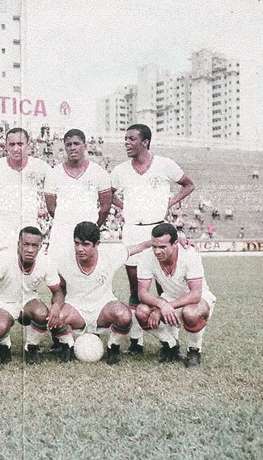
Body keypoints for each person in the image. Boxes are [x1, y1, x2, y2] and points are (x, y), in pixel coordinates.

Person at [111, 124, 195, 355]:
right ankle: (136, 342)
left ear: (145, 142)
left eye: (132, 139)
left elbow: (188, 184)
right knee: (136, 289)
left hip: (157, 230)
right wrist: (123, 208)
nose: (127, 143)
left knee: (162, 290)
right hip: (132, 231)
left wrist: (168, 203)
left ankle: (169, 342)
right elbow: (107, 194)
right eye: (125, 139)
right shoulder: (120, 170)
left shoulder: (164, 164)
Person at [51, 221, 153, 365]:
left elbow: (140, 247)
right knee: (57, 317)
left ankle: (113, 346)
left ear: (97, 244)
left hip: (103, 307)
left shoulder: (110, 255)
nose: (80, 249)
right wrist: (56, 306)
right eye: (77, 243)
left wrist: (172, 240)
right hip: (75, 308)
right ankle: (67, 346)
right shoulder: (63, 260)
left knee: (124, 315)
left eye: (85, 244)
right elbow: (60, 289)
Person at [0, 226, 64, 365]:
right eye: (26, 244)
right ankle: (5, 346)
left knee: (42, 313)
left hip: (28, 301)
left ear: (40, 247)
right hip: (3, 302)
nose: (30, 249)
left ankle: (31, 346)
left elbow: (58, 292)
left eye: (34, 245)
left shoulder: (46, 262)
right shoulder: (3, 259)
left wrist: (56, 305)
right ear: (18, 244)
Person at [136, 223, 216, 368]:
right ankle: (171, 345)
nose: (157, 251)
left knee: (190, 312)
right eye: (154, 246)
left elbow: (195, 294)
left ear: (175, 243)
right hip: (170, 297)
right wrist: (162, 304)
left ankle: (194, 350)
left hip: (198, 300)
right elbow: (142, 293)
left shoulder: (189, 255)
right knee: (142, 312)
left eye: (162, 247)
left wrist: (165, 307)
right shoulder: (146, 257)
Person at [45, 128, 112, 264]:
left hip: (88, 231)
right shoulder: (54, 173)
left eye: (76, 144)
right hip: (61, 231)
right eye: (68, 145)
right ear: (64, 147)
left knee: (87, 273)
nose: (72, 148)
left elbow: (105, 206)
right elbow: (51, 208)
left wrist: (93, 226)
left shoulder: (98, 172)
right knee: (58, 273)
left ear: (85, 146)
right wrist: (65, 220)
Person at [0, 128, 51, 259]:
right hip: (4, 224)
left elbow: (56, 184)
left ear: (28, 144)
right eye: (12, 144)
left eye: (20, 144)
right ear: (6, 146)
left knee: (31, 266)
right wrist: (1, 204)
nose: (16, 148)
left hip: (29, 222)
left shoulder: (39, 166)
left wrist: (45, 206)